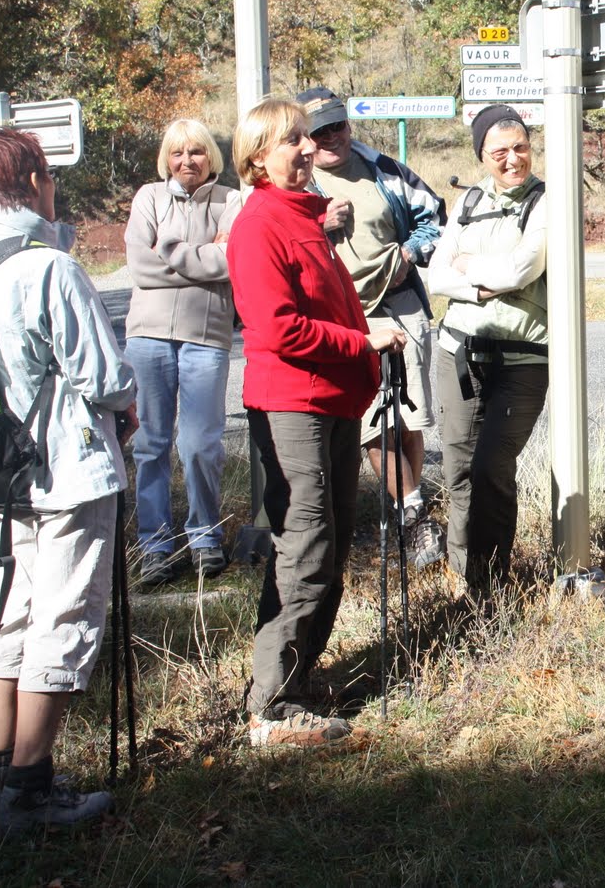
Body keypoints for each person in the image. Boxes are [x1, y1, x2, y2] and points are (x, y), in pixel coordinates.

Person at [0, 129, 138, 832]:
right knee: (61, 622)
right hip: (66, 468)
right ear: (34, 182)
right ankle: (31, 794)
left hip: (1, 473)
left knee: (9, 616)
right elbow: (105, 375)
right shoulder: (48, 268)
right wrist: (125, 411)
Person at [226, 97, 406, 747]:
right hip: (292, 403)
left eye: (306, 137)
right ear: (256, 158)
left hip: (329, 401)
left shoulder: (304, 217)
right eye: (292, 140)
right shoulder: (259, 226)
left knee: (329, 545)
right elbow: (276, 328)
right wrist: (363, 342)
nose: (308, 148)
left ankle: (300, 680)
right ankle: (271, 707)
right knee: (304, 547)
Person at [296, 87, 448, 569]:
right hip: (347, 317)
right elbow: (284, 246)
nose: (330, 138)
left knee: (410, 420)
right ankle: (414, 515)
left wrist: (409, 253)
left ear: (348, 125)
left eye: (336, 126)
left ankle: (409, 508)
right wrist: (319, 224)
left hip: (401, 304)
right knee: (373, 427)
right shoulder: (298, 186)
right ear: (303, 137)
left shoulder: (383, 169)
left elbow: (434, 214)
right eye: (318, 132)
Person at [426, 105, 549, 598]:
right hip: (458, 350)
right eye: (499, 151)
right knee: (456, 468)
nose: (513, 159)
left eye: (520, 147)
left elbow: (523, 269)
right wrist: (479, 288)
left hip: (523, 358)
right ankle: (463, 575)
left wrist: (469, 265)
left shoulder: (546, 200)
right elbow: (436, 275)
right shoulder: (471, 200)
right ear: (481, 155)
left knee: (491, 468)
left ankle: (491, 582)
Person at [124, 118, 240, 588]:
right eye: (177, 153)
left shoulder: (231, 201)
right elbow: (138, 265)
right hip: (147, 337)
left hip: (206, 337)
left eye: (196, 151)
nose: (187, 161)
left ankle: (204, 536)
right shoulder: (148, 198)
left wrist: (168, 250)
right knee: (151, 443)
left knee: (199, 444)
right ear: (165, 158)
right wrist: (201, 257)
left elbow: (232, 260)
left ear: (210, 156)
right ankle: (154, 544)